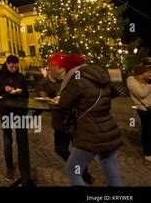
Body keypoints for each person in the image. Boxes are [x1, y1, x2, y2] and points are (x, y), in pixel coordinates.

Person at [59, 55, 123, 186]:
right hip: (108, 127)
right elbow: (113, 94)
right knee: (110, 168)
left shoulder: (78, 79)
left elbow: (64, 103)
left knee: (72, 169)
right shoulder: (101, 76)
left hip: (90, 131)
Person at [37, 54, 97, 186]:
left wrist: (61, 97)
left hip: (73, 119)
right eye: (49, 66)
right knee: (60, 149)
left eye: (53, 66)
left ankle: (83, 175)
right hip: (59, 120)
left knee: (76, 149)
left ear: (61, 67)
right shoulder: (49, 79)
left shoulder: (71, 78)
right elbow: (40, 87)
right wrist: (42, 92)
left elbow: (75, 97)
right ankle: (84, 174)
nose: (50, 69)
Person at [0, 55, 28, 182]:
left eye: (15, 66)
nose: (13, 69)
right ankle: (9, 167)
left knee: (21, 139)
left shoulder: (21, 76)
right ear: (6, 64)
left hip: (19, 111)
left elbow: (26, 94)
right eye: (11, 66)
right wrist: (4, 88)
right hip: (5, 111)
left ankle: (24, 169)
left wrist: (20, 93)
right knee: (7, 140)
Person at [126, 64, 151, 161]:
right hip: (144, 109)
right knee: (147, 131)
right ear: (141, 73)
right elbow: (141, 94)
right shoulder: (132, 81)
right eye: (148, 72)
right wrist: (149, 85)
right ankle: (148, 153)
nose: (150, 74)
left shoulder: (146, 80)